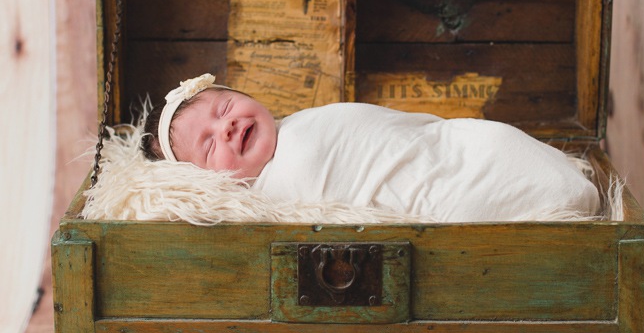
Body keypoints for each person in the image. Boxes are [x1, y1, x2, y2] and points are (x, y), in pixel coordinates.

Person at [142, 73, 601, 223]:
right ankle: (553, 189)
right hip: (443, 192)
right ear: (205, 181)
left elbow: (403, 133)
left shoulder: (301, 128)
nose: (226, 128)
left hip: (466, 147)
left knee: (458, 156)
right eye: (207, 146)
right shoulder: (269, 197)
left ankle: (549, 184)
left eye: (225, 107)